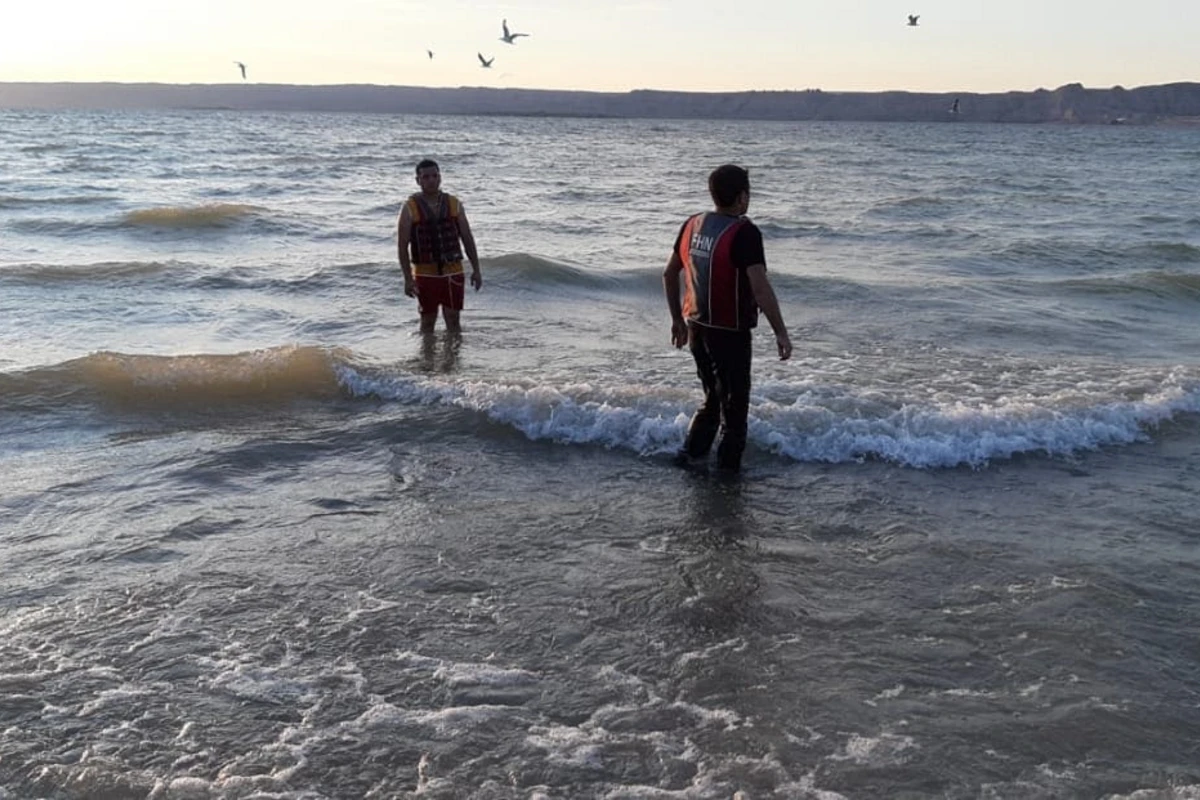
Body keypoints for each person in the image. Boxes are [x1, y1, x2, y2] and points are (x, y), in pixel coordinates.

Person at [663, 164, 792, 472]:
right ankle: (727, 478)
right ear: (742, 197)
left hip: (696, 329)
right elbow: (760, 288)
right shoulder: (744, 233)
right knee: (735, 410)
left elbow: (669, 273)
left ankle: (690, 457)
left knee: (712, 398)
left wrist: (677, 320)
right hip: (729, 335)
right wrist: (781, 333)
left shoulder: (692, 224)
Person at [396, 159, 482, 333]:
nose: (431, 180)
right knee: (427, 322)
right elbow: (402, 246)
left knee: (453, 321)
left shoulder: (454, 204)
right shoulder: (409, 208)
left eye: (434, 176)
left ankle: (453, 359)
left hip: (453, 271)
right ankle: (427, 359)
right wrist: (407, 279)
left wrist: (476, 270)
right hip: (425, 274)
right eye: (426, 177)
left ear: (440, 177)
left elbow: (467, 238)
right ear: (418, 180)